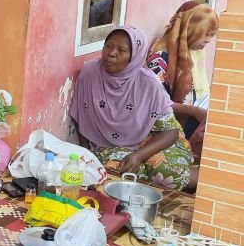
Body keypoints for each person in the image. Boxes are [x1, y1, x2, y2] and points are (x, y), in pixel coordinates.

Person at [70, 26, 194, 191]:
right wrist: (87, 154)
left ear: (134, 57)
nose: (111, 53)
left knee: (169, 173)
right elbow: (81, 117)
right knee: (116, 174)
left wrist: (138, 155)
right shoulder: (90, 74)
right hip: (109, 144)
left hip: (155, 140)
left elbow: (170, 132)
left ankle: (201, 178)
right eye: (108, 46)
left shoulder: (148, 83)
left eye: (121, 50)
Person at [148, 1, 219, 160]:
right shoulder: (160, 58)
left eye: (211, 35)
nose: (208, 40)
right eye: (206, 34)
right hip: (171, 124)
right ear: (190, 29)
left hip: (194, 113)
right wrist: (194, 111)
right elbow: (159, 104)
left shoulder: (193, 50)